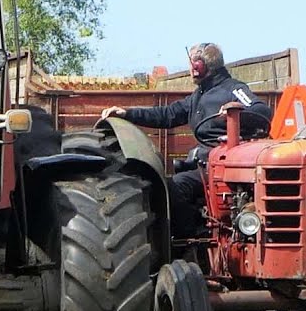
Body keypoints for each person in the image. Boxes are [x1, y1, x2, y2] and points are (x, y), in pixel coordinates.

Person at [100, 42, 273, 236]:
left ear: (200, 66)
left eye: (192, 63)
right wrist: (128, 114)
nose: (190, 69)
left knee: (176, 187)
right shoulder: (197, 97)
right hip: (204, 164)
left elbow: (262, 110)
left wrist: (235, 112)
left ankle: (193, 235)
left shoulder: (233, 89)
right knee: (170, 183)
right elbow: (167, 114)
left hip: (223, 167)